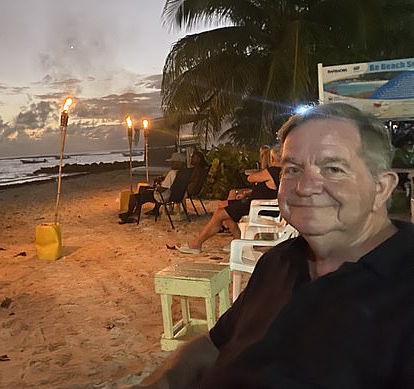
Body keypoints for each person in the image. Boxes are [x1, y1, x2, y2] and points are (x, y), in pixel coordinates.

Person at [123, 103, 414, 388]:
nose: (304, 186)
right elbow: (215, 344)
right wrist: (164, 381)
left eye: (333, 169)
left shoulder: (402, 285)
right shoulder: (278, 261)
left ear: (382, 187)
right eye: (292, 169)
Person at [175, 145, 282, 254]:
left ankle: (197, 244)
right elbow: (268, 190)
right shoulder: (281, 173)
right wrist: (247, 193)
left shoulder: (273, 171)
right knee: (222, 209)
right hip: (255, 205)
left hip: (255, 207)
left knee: (221, 211)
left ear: (272, 158)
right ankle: (235, 240)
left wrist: (262, 170)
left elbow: (251, 178)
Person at [118, 152, 186, 224]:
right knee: (142, 191)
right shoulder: (183, 172)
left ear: (179, 163)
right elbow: (170, 185)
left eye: (173, 162)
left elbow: (163, 189)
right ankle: (143, 211)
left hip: (162, 196)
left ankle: (131, 214)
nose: (171, 164)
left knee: (135, 196)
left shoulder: (173, 173)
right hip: (175, 195)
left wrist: (156, 186)